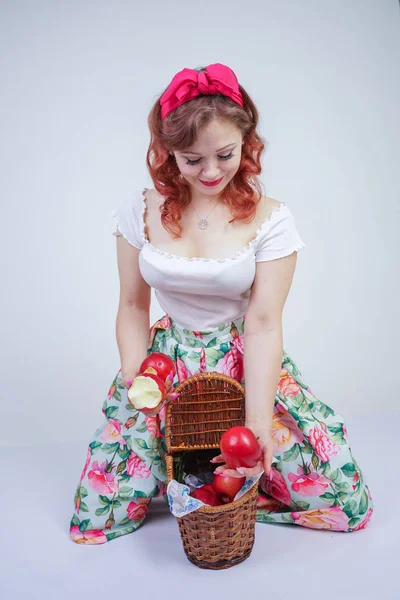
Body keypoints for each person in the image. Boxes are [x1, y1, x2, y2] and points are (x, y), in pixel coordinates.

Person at [69, 63, 373, 545]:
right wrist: (137, 382)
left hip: (242, 358)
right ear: (168, 153)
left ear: (247, 145)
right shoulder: (138, 209)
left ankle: (240, 497)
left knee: (344, 502)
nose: (210, 172)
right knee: (96, 520)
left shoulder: (273, 219)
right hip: (163, 363)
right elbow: (131, 305)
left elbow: (265, 323)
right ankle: (179, 484)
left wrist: (256, 427)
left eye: (225, 154)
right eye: (192, 160)